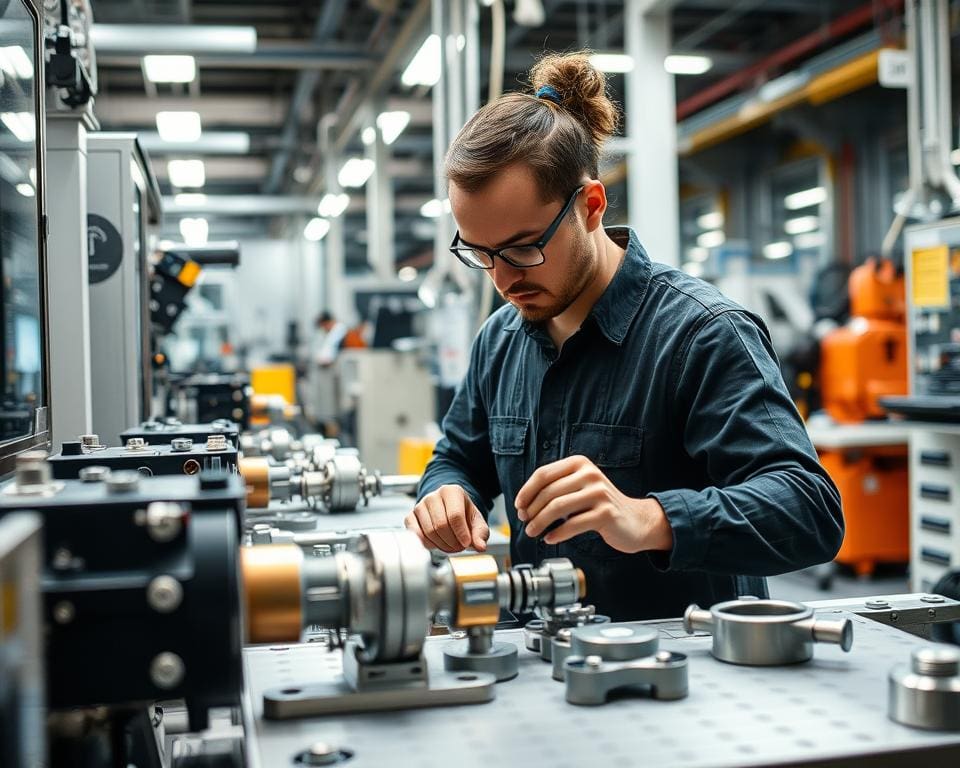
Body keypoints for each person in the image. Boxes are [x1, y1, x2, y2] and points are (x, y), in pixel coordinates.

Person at [404, 52, 843, 621]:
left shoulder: (700, 335)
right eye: (480, 253)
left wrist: (648, 519)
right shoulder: (500, 340)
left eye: (521, 248)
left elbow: (809, 512)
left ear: (590, 206)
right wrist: (444, 493)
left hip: (688, 682)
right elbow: (458, 456)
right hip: (549, 670)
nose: (503, 278)